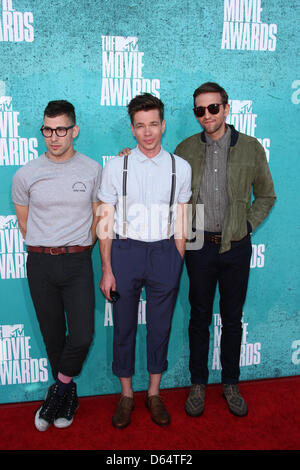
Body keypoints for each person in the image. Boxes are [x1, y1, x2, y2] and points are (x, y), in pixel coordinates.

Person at [174, 82, 276, 417]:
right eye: (199, 110)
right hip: (199, 244)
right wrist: (127, 156)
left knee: (233, 318)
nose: (206, 115)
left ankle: (230, 382)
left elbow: (266, 195)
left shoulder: (250, 148)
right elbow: (167, 187)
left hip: (236, 245)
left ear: (226, 108)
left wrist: (246, 226)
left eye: (213, 108)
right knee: (199, 317)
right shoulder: (185, 148)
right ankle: (198, 383)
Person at [98, 93, 192, 428]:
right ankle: (126, 395)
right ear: (132, 129)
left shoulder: (180, 168)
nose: (148, 132)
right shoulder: (115, 166)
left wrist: (177, 258)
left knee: (160, 327)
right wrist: (107, 269)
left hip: (165, 253)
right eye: (140, 126)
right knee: (123, 326)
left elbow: (183, 217)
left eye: (153, 124)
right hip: (125, 253)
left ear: (163, 125)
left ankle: (154, 392)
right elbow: (105, 220)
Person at [12, 100, 102, 431]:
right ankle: (68, 397)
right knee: (53, 337)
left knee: (82, 334)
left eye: (61, 130)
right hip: (39, 263)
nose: (54, 137)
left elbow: (99, 216)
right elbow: (25, 222)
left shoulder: (92, 169)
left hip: (78, 261)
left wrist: (80, 248)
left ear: (74, 131)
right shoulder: (26, 174)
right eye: (48, 130)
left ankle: (57, 392)